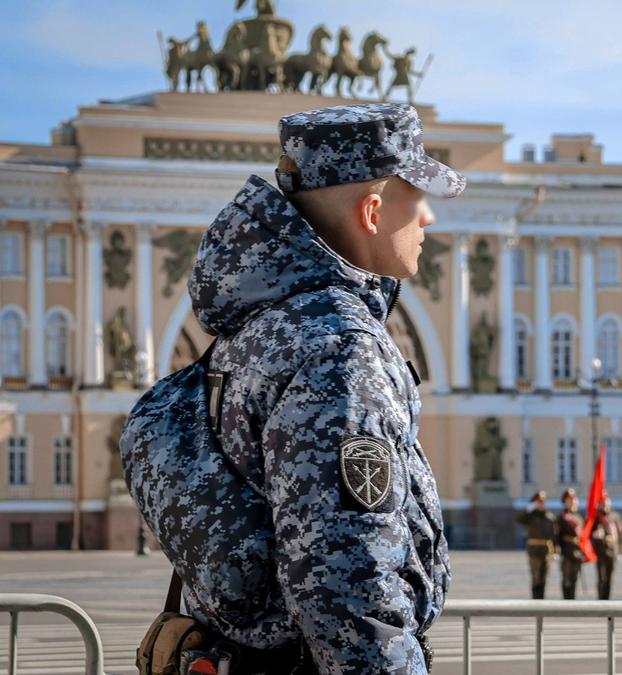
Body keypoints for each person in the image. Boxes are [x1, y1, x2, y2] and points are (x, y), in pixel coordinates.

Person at [127, 103, 464, 672]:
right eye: (418, 196)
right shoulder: (340, 351)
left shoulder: (257, 326)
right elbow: (352, 592)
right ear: (373, 210)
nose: (428, 217)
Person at [515, 490, 556, 599]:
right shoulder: (530, 516)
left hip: (546, 550)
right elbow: (518, 519)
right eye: (539, 501)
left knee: (544, 577)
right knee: (536, 577)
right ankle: (535, 601)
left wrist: (555, 551)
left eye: (543, 501)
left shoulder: (549, 517)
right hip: (534, 550)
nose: (541, 503)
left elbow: (554, 536)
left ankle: (542, 601)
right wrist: (529, 509)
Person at [591, 491, 622, 600]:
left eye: (606, 502)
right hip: (600, 551)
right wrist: (594, 536)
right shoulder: (595, 517)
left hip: (612, 551)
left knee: (609, 578)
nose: (605, 505)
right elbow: (588, 533)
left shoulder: (615, 516)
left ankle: (607, 600)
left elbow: (620, 536)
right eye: (602, 503)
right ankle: (601, 600)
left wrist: (620, 551)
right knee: (601, 578)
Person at [555, 488, 584, 599]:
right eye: (570, 499)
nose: (572, 502)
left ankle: (573, 599)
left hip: (577, 550)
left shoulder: (579, 517)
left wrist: (583, 550)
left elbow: (583, 536)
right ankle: (566, 600)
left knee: (575, 577)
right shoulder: (561, 517)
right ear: (565, 501)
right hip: (566, 550)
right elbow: (556, 535)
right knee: (566, 578)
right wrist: (557, 551)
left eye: (574, 499)